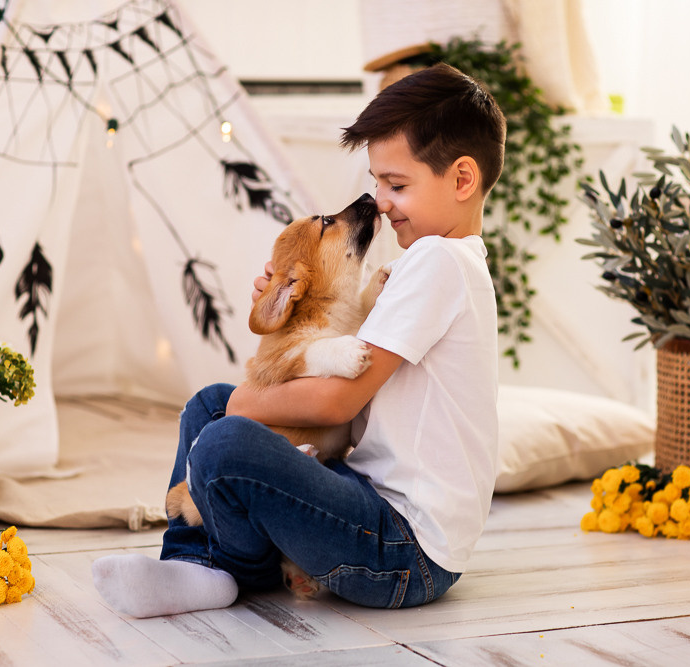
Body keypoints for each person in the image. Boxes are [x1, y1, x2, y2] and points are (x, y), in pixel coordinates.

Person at [92, 62, 506, 617]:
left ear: (462, 179)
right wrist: (295, 304)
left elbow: (337, 402)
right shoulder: (436, 262)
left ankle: (218, 567)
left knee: (223, 435)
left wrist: (245, 405)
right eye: (378, 182)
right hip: (371, 505)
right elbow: (342, 353)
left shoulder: (439, 261)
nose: (380, 201)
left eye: (397, 185)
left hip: (405, 551)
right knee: (210, 405)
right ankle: (193, 562)